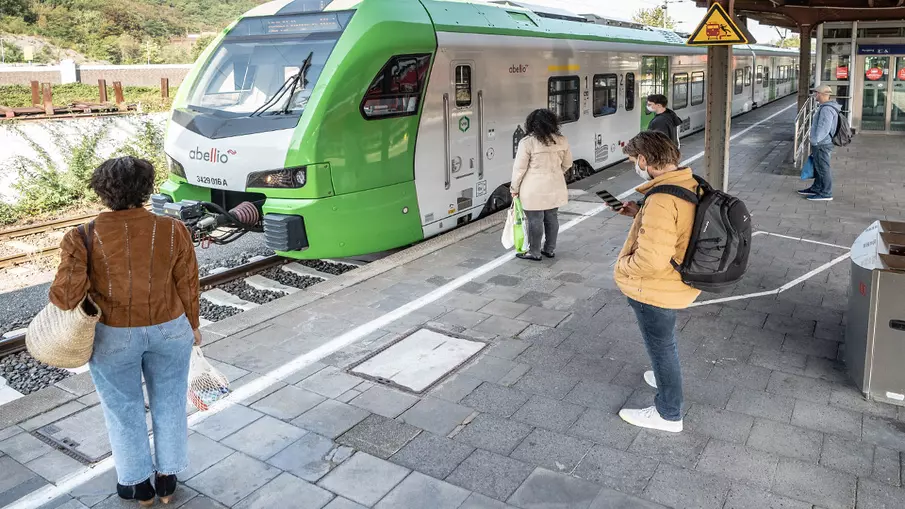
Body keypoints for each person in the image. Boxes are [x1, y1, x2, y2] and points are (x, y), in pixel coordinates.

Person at [49, 157, 201, 506]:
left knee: (123, 408)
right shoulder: (174, 229)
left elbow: (65, 296)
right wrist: (193, 325)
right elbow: (188, 284)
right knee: (169, 402)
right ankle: (168, 481)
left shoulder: (82, 236)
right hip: (170, 329)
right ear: (147, 189)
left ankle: (137, 486)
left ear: (102, 193)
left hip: (113, 335)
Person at [612, 131, 700, 433]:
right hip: (676, 280)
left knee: (662, 347)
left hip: (657, 287)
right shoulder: (686, 182)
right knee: (664, 344)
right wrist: (638, 213)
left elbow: (650, 260)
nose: (634, 167)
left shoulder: (661, 198)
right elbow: (678, 226)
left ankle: (668, 413)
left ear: (644, 160)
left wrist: (623, 266)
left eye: (633, 162)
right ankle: (664, 376)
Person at [510, 109, 573, 261]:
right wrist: (556, 173)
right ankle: (550, 249)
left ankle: (534, 252)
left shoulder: (527, 143)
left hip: (533, 188)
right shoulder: (562, 140)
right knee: (552, 217)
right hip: (555, 186)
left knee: (535, 220)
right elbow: (568, 164)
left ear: (531, 123)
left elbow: (519, 169)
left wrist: (514, 188)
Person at [799, 85, 840, 202]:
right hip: (822, 143)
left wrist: (815, 141)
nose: (814, 95)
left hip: (822, 143)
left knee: (823, 168)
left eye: (816, 93)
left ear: (821, 94)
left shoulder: (826, 109)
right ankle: (817, 188)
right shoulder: (826, 107)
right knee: (819, 167)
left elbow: (824, 128)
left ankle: (826, 193)